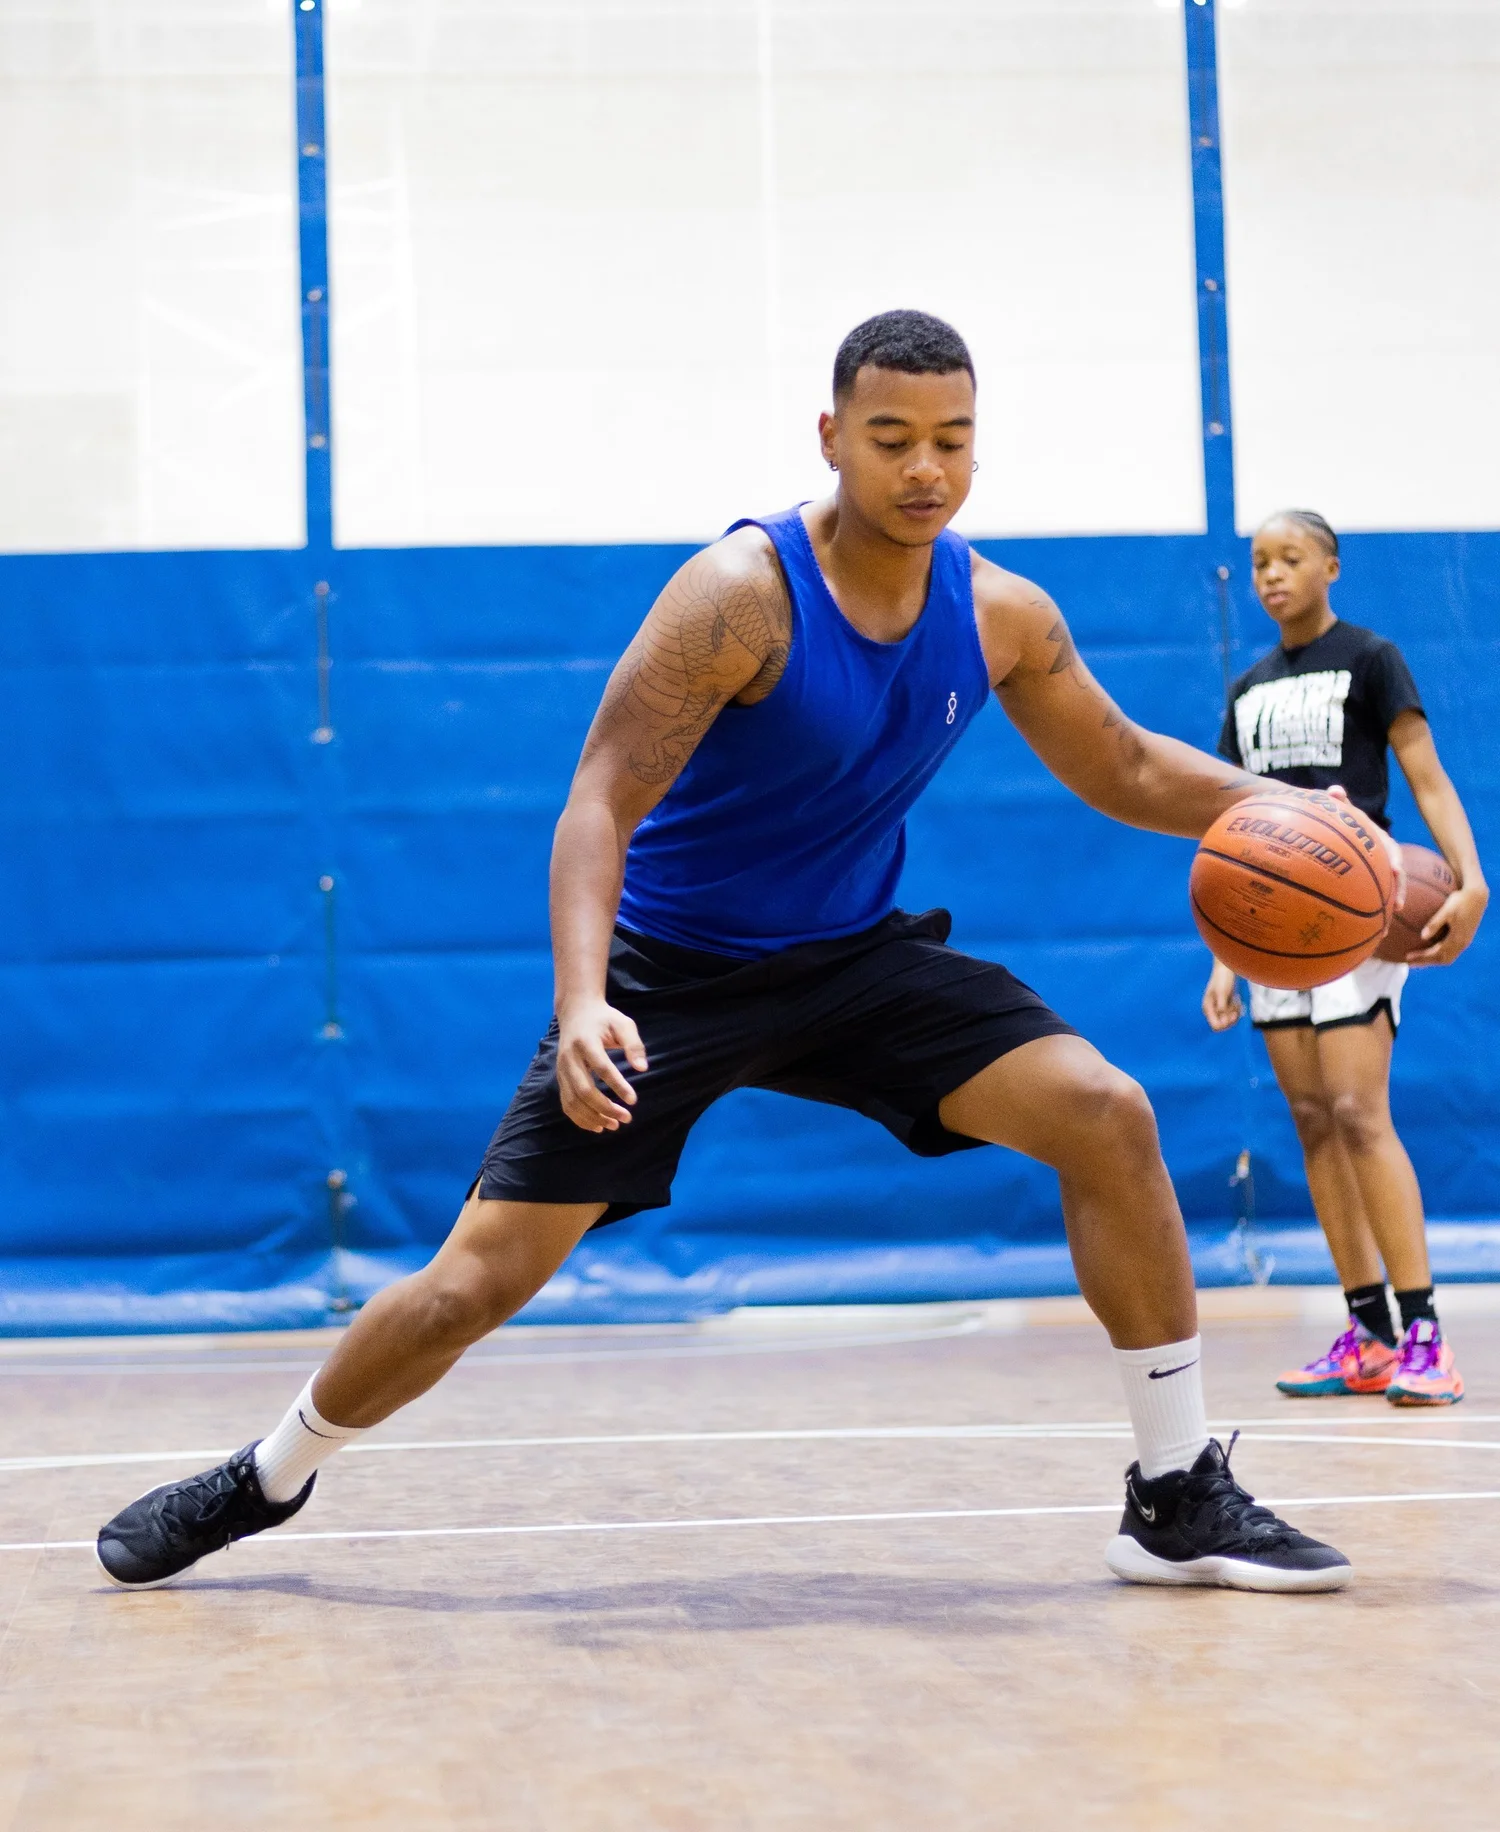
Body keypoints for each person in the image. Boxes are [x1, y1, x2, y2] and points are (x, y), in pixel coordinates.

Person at [98, 312, 1375, 1594]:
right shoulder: (739, 597)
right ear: (832, 437)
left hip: (855, 962)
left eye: (952, 440)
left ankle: (1173, 1492)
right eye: (891, 440)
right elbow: (600, 797)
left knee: (1107, 1109)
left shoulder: (999, 614)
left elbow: (1130, 763)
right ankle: (266, 1473)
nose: (924, 468)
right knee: (469, 1284)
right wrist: (585, 997)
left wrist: (1311, 814)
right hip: (668, 979)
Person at [1203, 510, 1487, 1405]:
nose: (1272, 574)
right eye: (1259, 562)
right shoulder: (1249, 688)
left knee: (1361, 1111)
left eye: (1291, 558)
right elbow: (1226, 828)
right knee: (1315, 1121)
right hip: (1271, 930)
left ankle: (1426, 1333)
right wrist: (1221, 955)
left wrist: (1473, 882)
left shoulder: (1370, 658)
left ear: (1331, 565)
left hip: (1356, 916)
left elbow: (1426, 774)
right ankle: (1368, 1331)